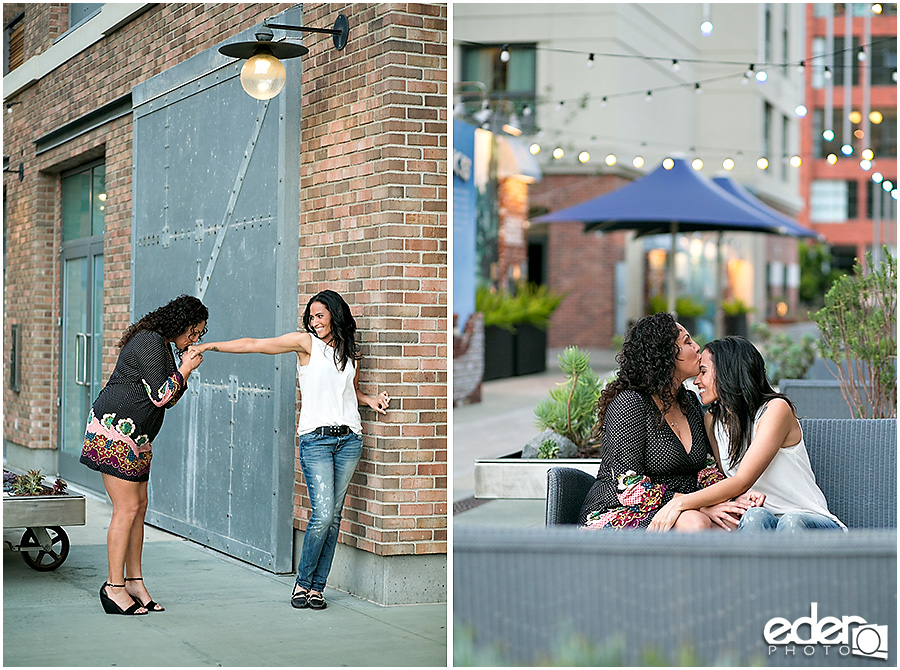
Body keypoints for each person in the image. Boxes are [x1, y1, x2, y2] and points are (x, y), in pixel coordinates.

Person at [190, 289, 389, 610]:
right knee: (323, 515)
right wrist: (209, 345)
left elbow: (349, 391)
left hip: (350, 438)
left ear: (334, 315)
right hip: (317, 440)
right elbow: (254, 344)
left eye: (320, 316)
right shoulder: (306, 343)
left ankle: (317, 588)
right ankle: (303, 583)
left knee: (334, 517)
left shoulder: (351, 352)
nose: (314, 322)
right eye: (311, 317)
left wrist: (370, 400)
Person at [81, 294, 208, 615]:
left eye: (199, 335)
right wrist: (186, 367)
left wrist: (183, 370)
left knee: (138, 507)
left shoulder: (162, 346)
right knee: (126, 509)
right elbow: (162, 395)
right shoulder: (149, 341)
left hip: (137, 435)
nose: (194, 339)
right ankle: (113, 587)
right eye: (194, 332)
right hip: (115, 431)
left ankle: (134, 581)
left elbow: (171, 397)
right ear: (180, 323)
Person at [579, 312, 759, 531]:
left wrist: (729, 502)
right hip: (617, 511)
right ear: (664, 355)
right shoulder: (630, 403)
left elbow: (707, 469)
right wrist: (700, 506)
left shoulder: (690, 401)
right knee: (696, 523)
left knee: (731, 520)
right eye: (687, 342)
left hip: (681, 506)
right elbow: (629, 487)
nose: (697, 347)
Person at [648, 336, 844, 532]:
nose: (697, 381)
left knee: (790, 521)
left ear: (728, 372)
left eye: (704, 372)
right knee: (753, 517)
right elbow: (727, 482)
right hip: (764, 522)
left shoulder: (776, 410)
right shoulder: (712, 421)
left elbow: (742, 480)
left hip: (810, 523)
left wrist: (678, 503)